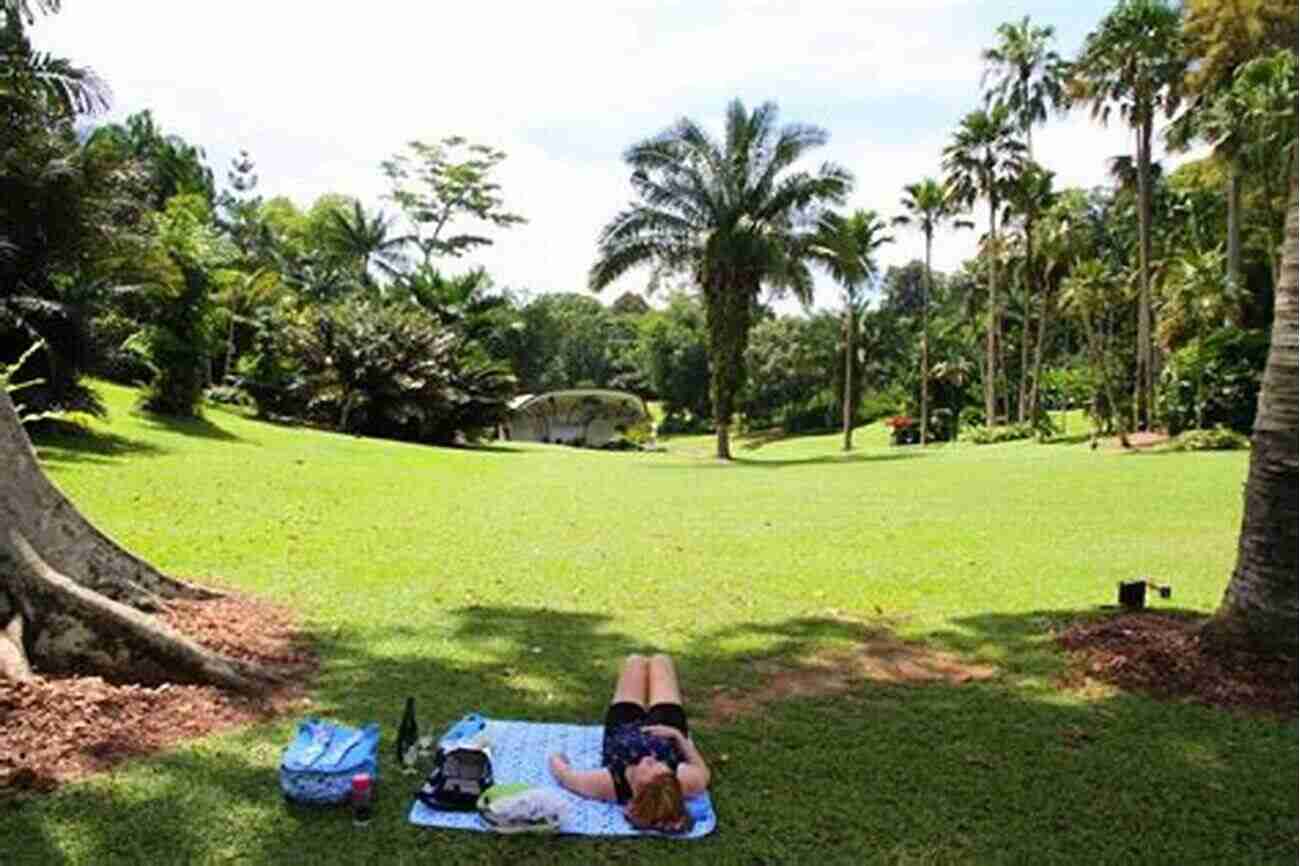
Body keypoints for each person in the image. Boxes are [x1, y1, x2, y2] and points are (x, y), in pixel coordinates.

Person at [547, 653, 710, 833]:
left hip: (622, 729)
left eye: (649, 766)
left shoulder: (609, 784)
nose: (651, 758)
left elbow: (566, 777)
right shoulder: (685, 782)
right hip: (666, 728)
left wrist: (556, 758)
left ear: (637, 792)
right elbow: (703, 773)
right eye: (662, 765)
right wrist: (678, 737)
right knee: (661, 661)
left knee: (634, 661)